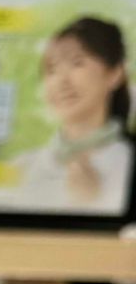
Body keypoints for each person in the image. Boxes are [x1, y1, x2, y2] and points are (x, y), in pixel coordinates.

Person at [18, 16, 133, 212]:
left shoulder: (126, 160)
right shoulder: (23, 166)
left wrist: (91, 202)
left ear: (115, 73)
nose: (61, 80)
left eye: (77, 63)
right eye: (52, 69)